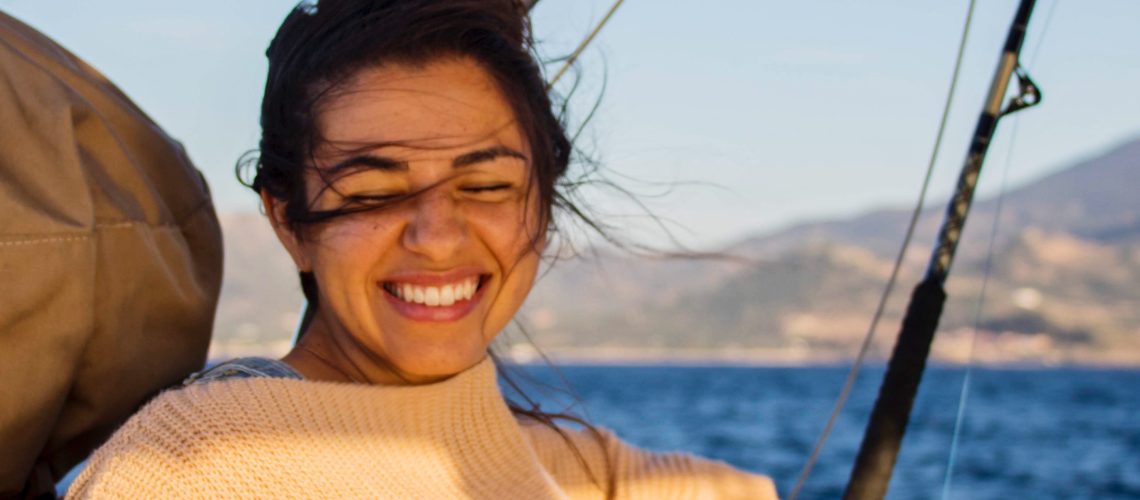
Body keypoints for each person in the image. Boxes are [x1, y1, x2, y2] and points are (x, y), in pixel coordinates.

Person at [68, 1, 778, 498]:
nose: (436, 236)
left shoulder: (559, 458)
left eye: (488, 185)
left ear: (543, 204)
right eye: (373, 193)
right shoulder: (200, 465)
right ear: (289, 223)